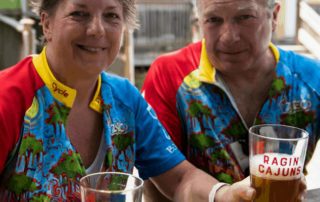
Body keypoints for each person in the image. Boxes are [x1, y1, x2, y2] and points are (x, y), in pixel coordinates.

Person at [0, 0, 258, 201]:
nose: (96, 29)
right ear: (46, 23)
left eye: (111, 15)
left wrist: (225, 194)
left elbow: (180, 179)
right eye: (79, 13)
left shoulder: (125, 98)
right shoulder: (8, 98)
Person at [142, 0, 319, 200]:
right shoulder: (170, 74)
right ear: (199, 22)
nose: (229, 36)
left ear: (275, 17)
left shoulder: (312, 78)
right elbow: (159, 179)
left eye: (245, 18)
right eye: (214, 20)